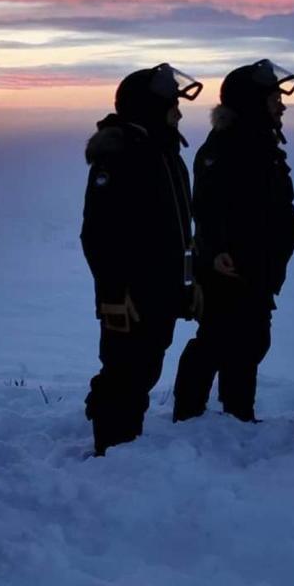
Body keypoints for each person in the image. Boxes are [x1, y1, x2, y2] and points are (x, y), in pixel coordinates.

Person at [81, 64, 203, 455]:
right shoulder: (120, 156)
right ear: (150, 107)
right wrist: (114, 294)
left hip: (161, 290)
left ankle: (123, 446)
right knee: (124, 373)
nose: (178, 113)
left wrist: (190, 281)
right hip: (132, 296)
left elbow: (177, 229)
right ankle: (110, 450)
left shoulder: (163, 152)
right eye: (172, 105)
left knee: (144, 369)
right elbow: (99, 234)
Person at [173, 60, 294, 423]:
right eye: (275, 97)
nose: (282, 104)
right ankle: (188, 416)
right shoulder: (227, 147)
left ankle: (238, 414)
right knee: (214, 341)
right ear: (252, 102)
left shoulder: (260, 145)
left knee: (249, 342)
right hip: (230, 268)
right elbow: (208, 207)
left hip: (257, 267)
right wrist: (215, 253)